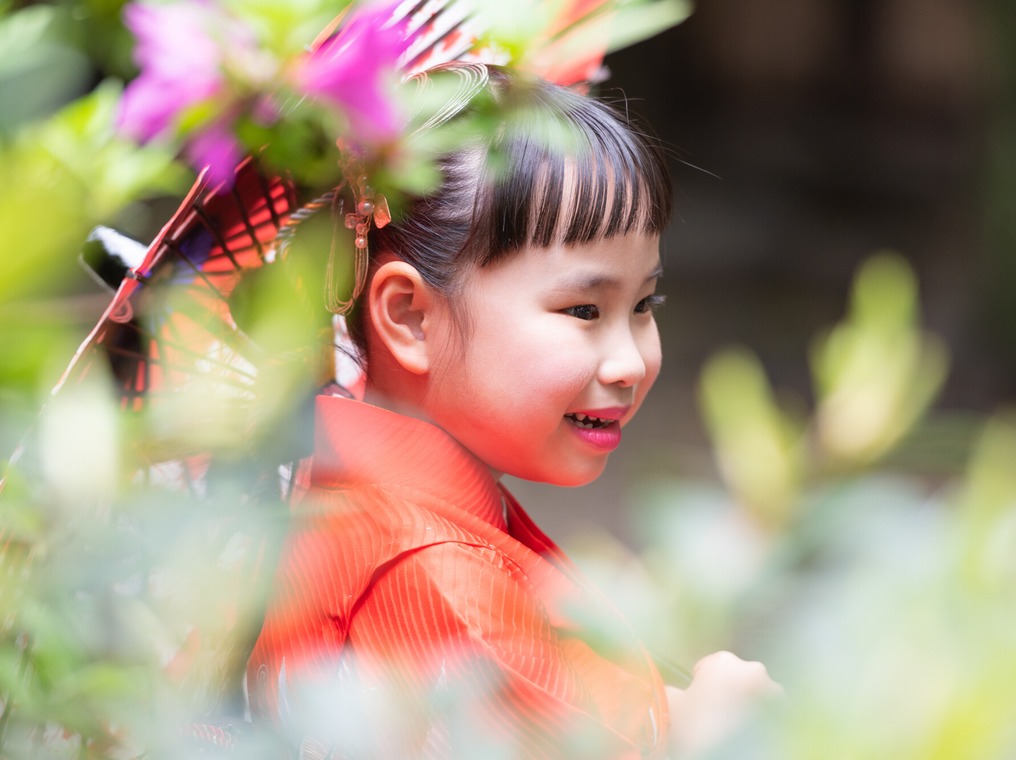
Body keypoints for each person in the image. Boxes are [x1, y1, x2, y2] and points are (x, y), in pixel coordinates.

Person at [244, 63, 776, 759]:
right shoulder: (427, 568)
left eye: (644, 305)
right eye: (583, 310)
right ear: (409, 317)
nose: (630, 361)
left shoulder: (387, 511)